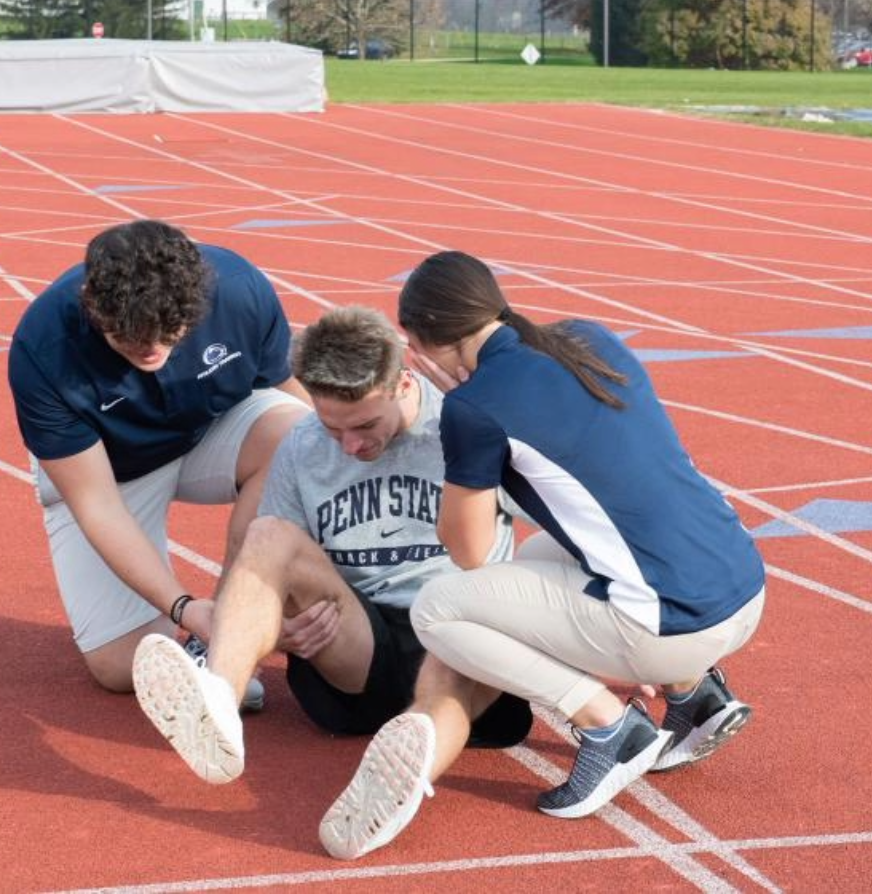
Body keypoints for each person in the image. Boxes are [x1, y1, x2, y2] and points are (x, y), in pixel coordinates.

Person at [320, 251, 766, 857]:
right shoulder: (589, 336)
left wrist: (465, 429)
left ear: (421, 344)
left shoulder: (472, 409)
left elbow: (470, 551)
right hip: (741, 586)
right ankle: (694, 696)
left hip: (673, 624)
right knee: (539, 553)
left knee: (440, 610)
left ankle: (607, 727)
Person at [129, 306, 533, 818]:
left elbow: (569, 525)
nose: (351, 445)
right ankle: (218, 703)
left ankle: (399, 782)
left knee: (466, 628)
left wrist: (609, 635)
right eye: (332, 426)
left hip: (460, 641)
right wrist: (278, 630)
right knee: (267, 532)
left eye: (365, 425)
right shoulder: (303, 443)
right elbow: (266, 568)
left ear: (403, 381)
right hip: (357, 647)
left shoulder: (467, 425)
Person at [7, 219, 310, 697]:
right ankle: (203, 629)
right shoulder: (43, 348)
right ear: (92, 304)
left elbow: (293, 393)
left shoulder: (239, 290)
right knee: (121, 667)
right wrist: (184, 607)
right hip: (109, 469)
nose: (152, 347)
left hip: (211, 429)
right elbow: (97, 504)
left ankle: (229, 629)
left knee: (298, 434)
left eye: (171, 332)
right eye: (128, 338)